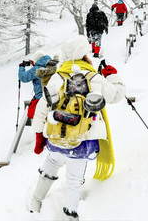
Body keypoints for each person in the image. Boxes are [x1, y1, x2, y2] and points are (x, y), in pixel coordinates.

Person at [29, 35, 125, 221]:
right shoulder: (94, 77)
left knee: (50, 165)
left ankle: (35, 203)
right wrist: (113, 75)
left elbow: (43, 106)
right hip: (81, 141)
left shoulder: (58, 75)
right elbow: (117, 95)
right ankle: (70, 216)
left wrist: (39, 134)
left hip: (56, 136)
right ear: (85, 55)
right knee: (73, 181)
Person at [18, 50, 52, 119]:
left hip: (40, 99)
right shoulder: (52, 67)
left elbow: (23, 77)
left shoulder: (36, 69)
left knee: (36, 116)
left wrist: (22, 67)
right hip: (52, 97)